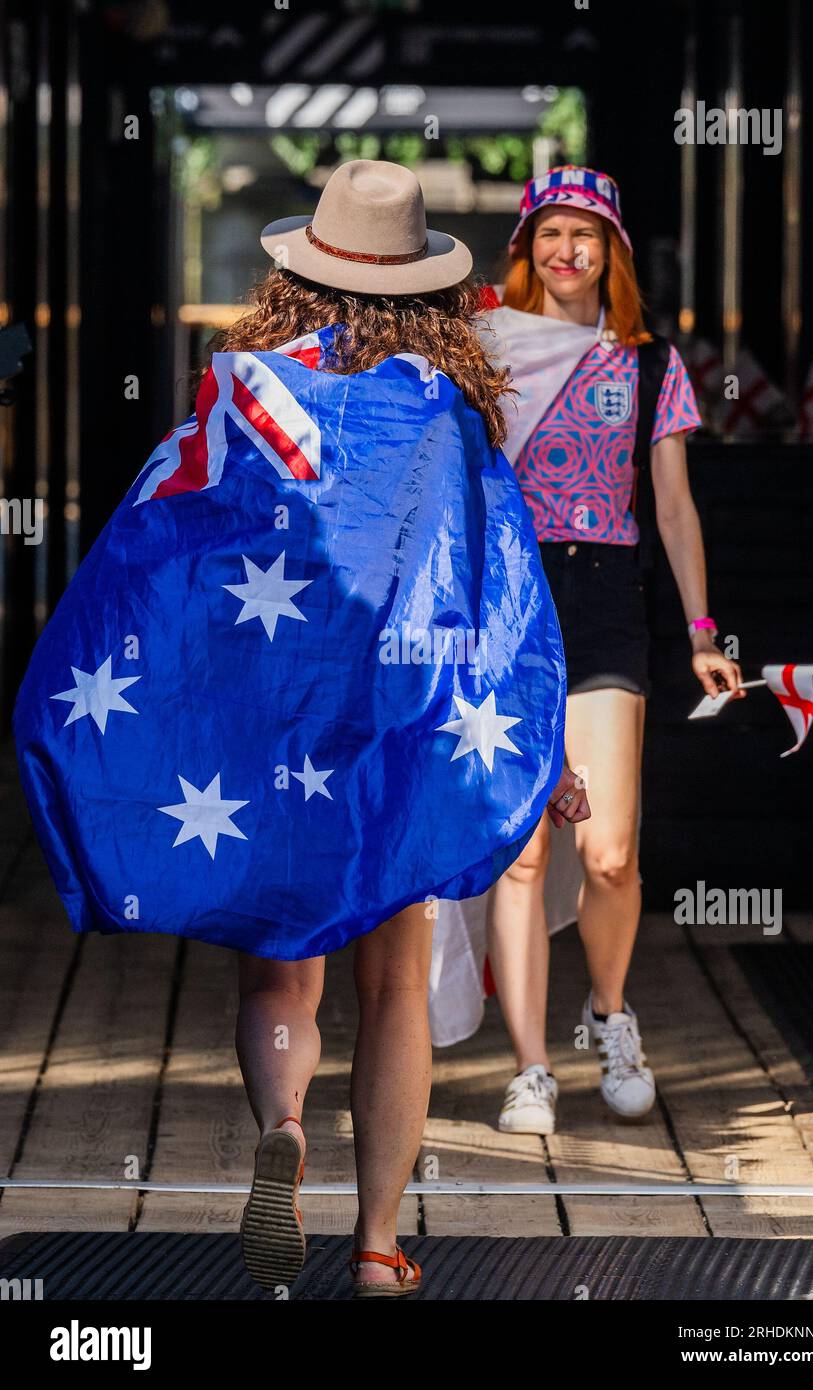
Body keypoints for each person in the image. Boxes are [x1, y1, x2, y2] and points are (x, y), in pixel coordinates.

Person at [12, 159, 589, 1296]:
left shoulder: (242, 396)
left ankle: (282, 1123)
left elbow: (159, 555)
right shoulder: (443, 415)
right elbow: (500, 594)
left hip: (266, 732)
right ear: (426, 290)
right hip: (404, 730)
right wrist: (542, 747)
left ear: (298, 277)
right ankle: (377, 1244)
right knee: (394, 989)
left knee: (280, 981)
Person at [480, 166, 743, 1134]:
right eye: (548, 233)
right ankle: (529, 1067)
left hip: (603, 603)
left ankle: (607, 1012)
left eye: (584, 235)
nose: (565, 251)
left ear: (612, 253)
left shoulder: (647, 363)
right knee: (519, 850)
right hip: (510, 599)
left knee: (610, 851)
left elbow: (672, 507)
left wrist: (701, 632)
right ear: (525, 249)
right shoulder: (487, 354)